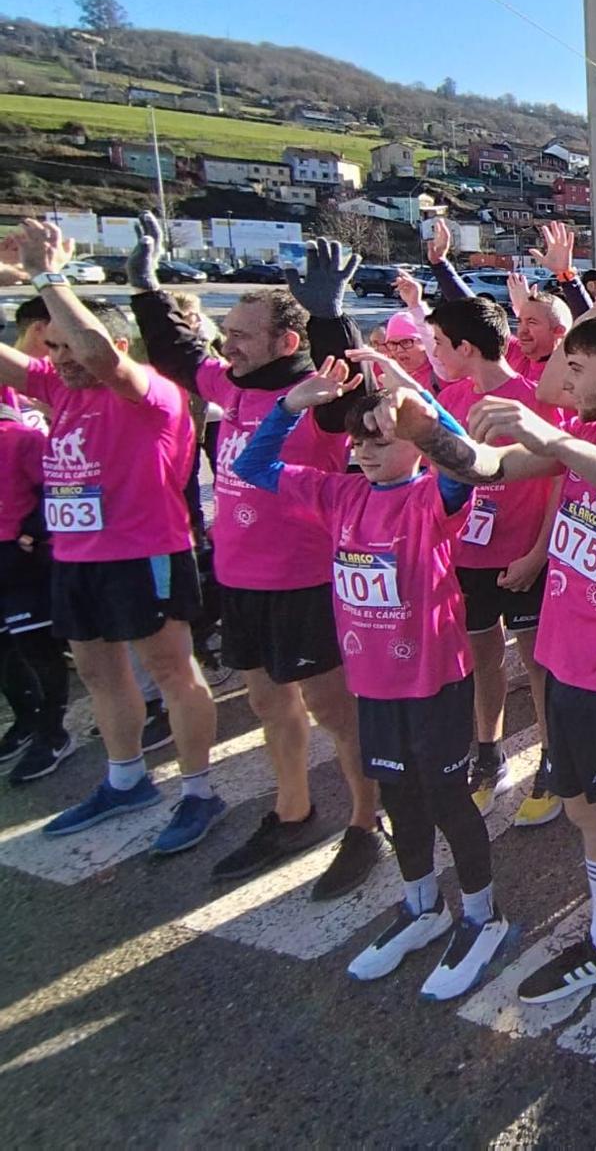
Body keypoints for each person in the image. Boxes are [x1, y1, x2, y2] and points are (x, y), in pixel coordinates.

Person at [399, 311, 596, 1088]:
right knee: (585, 810)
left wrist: (562, 442)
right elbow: (481, 466)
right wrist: (417, 418)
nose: (562, 384)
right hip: (567, 670)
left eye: (577, 369)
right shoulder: (583, 441)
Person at [237, 361, 512, 999]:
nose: (362, 451)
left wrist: (419, 402)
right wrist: (288, 407)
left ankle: (482, 915)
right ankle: (422, 905)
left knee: (448, 802)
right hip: (375, 685)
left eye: (379, 440)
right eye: (357, 441)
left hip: (435, 681)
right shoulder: (340, 495)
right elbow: (254, 470)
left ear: (413, 446)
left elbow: (469, 460)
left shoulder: (433, 496)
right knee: (398, 798)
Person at [129, 221, 383, 895]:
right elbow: (181, 353)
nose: (225, 344)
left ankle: (367, 822)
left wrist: (333, 317)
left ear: (287, 343)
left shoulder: (317, 398)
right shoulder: (234, 386)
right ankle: (292, 812)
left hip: (307, 584)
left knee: (339, 714)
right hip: (240, 580)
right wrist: (145, 286)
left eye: (240, 334)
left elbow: (359, 402)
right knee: (272, 705)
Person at [0, 220, 221, 855]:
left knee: (171, 670)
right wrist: (17, 280)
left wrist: (50, 276)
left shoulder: (147, 394)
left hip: (142, 553)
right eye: (55, 351)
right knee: (99, 671)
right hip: (76, 556)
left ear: (115, 344)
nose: (62, 361)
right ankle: (126, 779)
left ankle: (200, 789)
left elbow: (98, 355)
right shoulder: (54, 388)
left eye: (70, 348)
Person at [426, 296, 560, 820]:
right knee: (482, 660)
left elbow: (558, 481)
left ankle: (553, 761)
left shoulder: (531, 398)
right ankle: (489, 756)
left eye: (439, 344)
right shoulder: (453, 398)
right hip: (467, 555)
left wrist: (537, 553)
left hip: (525, 556)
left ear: (465, 346)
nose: (433, 353)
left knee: (538, 663)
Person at [0, 388, 67, 784]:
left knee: (36, 649)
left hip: (22, 565)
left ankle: (53, 732)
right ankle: (25, 721)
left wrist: (32, 534)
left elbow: (57, 486)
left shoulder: (20, 437)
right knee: (4, 653)